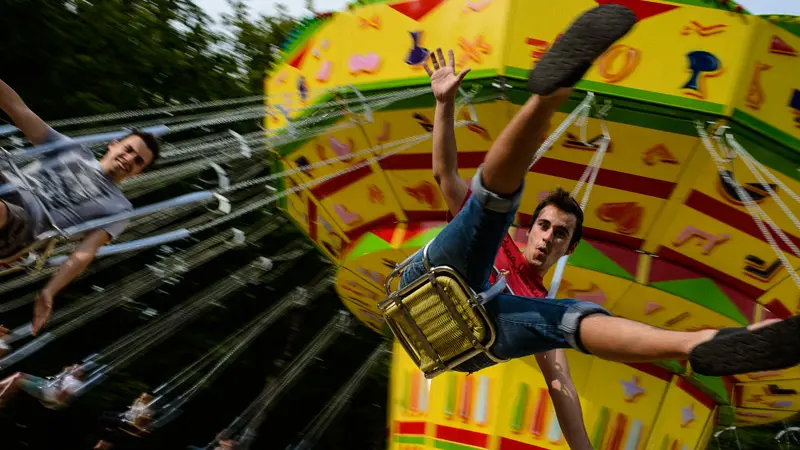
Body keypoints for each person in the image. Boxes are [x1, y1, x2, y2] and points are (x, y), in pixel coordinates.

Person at [397, 5, 800, 449]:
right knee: (489, 207)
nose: (548, 236)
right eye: (545, 226)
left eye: (560, 233)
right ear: (532, 230)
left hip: (481, 336)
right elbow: (444, 174)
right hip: (433, 282)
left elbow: (562, 388)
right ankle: (548, 96)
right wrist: (444, 103)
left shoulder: (537, 304)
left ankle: (698, 345)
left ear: (569, 247)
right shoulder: (500, 245)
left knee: (568, 320)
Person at [0, 78, 161, 336]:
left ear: (139, 172)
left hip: (26, 222)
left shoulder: (119, 208)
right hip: (8, 182)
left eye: (138, 161)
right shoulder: (72, 151)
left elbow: (84, 253)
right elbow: (19, 110)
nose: (129, 159)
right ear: (114, 144)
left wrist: (50, 290)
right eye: (129, 149)